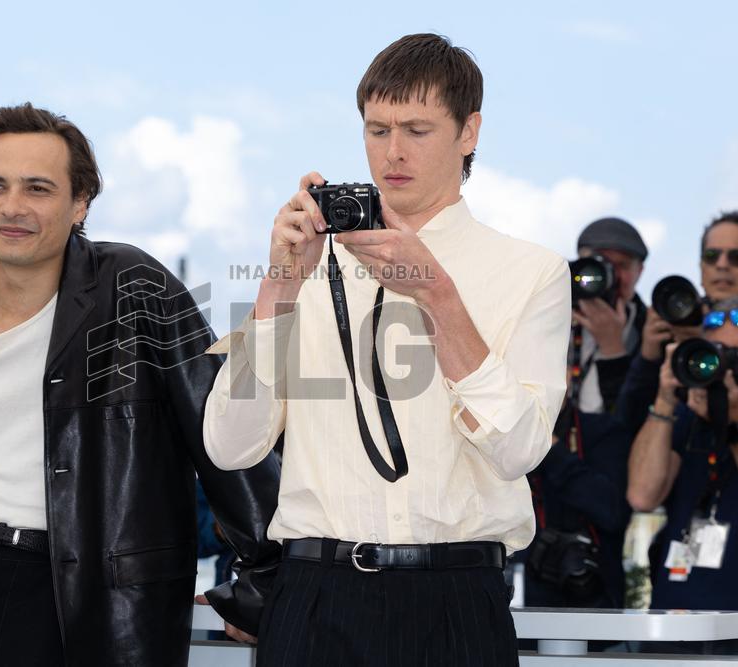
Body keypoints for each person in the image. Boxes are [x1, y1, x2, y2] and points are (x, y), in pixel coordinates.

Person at [0, 103, 280, 667]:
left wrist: (262, 585)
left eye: (38, 188)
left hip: (75, 597)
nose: (12, 207)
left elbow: (222, 435)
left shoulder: (136, 291)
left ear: (81, 204)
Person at [203, 34, 571, 666]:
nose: (392, 153)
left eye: (417, 130)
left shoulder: (530, 271)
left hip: (459, 600)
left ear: (469, 132)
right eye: (377, 129)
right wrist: (280, 286)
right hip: (315, 594)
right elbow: (229, 445)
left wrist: (440, 299)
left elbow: (519, 451)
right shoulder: (308, 263)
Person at [627, 297, 738, 656]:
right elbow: (642, 495)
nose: (733, 364)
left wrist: (736, 423)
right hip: (672, 629)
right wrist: (665, 398)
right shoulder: (686, 417)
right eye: (719, 351)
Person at [617, 211, 738, 435]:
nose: (722, 265)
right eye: (712, 256)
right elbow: (625, 425)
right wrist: (648, 356)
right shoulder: (673, 322)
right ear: (701, 269)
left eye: (736, 257)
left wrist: (704, 344)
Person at [572, 217, 648, 414]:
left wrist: (612, 347)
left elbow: (631, 415)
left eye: (621, 265)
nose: (609, 274)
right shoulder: (552, 311)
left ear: (639, 271)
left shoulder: (651, 329)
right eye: (599, 263)